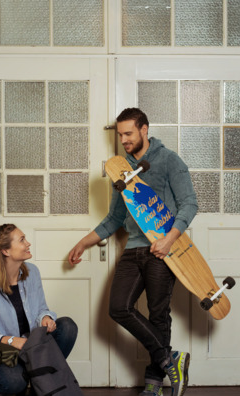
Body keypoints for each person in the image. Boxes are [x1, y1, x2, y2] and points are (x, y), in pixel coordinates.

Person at [68, 108, 198, 396]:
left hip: (164, 251)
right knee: (119, 308)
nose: (124, 140)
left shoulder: (169, 161)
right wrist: (84, 242)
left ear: (144, 129)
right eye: (120, 135)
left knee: (158, 315)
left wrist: (168, 239)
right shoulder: (121, 170)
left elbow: (189, 204)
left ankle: (153, 385)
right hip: (133, 249)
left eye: (129, 133)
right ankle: (170, 359)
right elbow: (115, 218)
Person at [0, 223, 78, 396]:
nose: (28, 243)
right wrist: (11, 340)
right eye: (22, 240)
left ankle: (40, 384)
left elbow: (42, 308)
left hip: (27, 347)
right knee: (14, 382)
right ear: (6, 251)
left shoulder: (32, 272)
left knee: (68, 327)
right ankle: (28, 379)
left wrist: (45, 318)